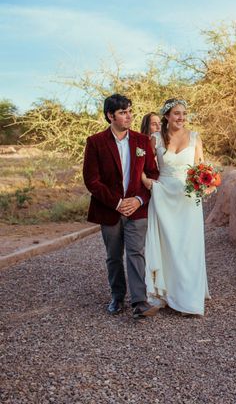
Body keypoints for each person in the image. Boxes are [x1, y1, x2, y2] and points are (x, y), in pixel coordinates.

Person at [82, 94, 161, 319]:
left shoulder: (142, 141)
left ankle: (139, 301)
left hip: (137, 209)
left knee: (136, 252)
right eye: (123, 112)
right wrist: (117, 203)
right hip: (109, 209)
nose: (129, 116)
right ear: (110, 116)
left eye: (130, 111)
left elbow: (153, 173)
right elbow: (91, 180)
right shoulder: (95, 142)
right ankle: (117, 297)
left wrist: (138, 199)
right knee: (114, 256)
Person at [142, 98, 210, 316]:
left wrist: (206, 184)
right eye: (176, 114)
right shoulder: (154, 139)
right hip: (163, 195)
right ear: (167, 116)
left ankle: (188, 298)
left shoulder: (195, 137)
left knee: (188, 247)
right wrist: (147, 182)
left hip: (189, 198)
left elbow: (201, 167)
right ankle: (165, 294)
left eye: (184, 113)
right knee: (167, 246)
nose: (181, 118)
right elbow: (142, 167)